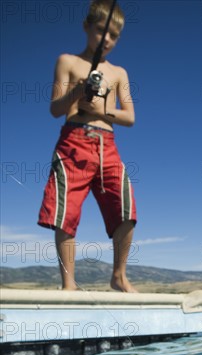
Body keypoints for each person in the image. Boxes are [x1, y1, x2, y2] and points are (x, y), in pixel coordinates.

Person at [38, 0, 137, 292]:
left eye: (114, 35)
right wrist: (79, 91)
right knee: (65, 212)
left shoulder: (119, 72)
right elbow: (56, 109)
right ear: (86, 27)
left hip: (107, 145)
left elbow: (130, 117)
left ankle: (119, 276)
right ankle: (69, 284)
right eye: (100, 30)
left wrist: (99, 112)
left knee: (125, 209)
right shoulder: (67, 61)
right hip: (73, 143)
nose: (106, 39)